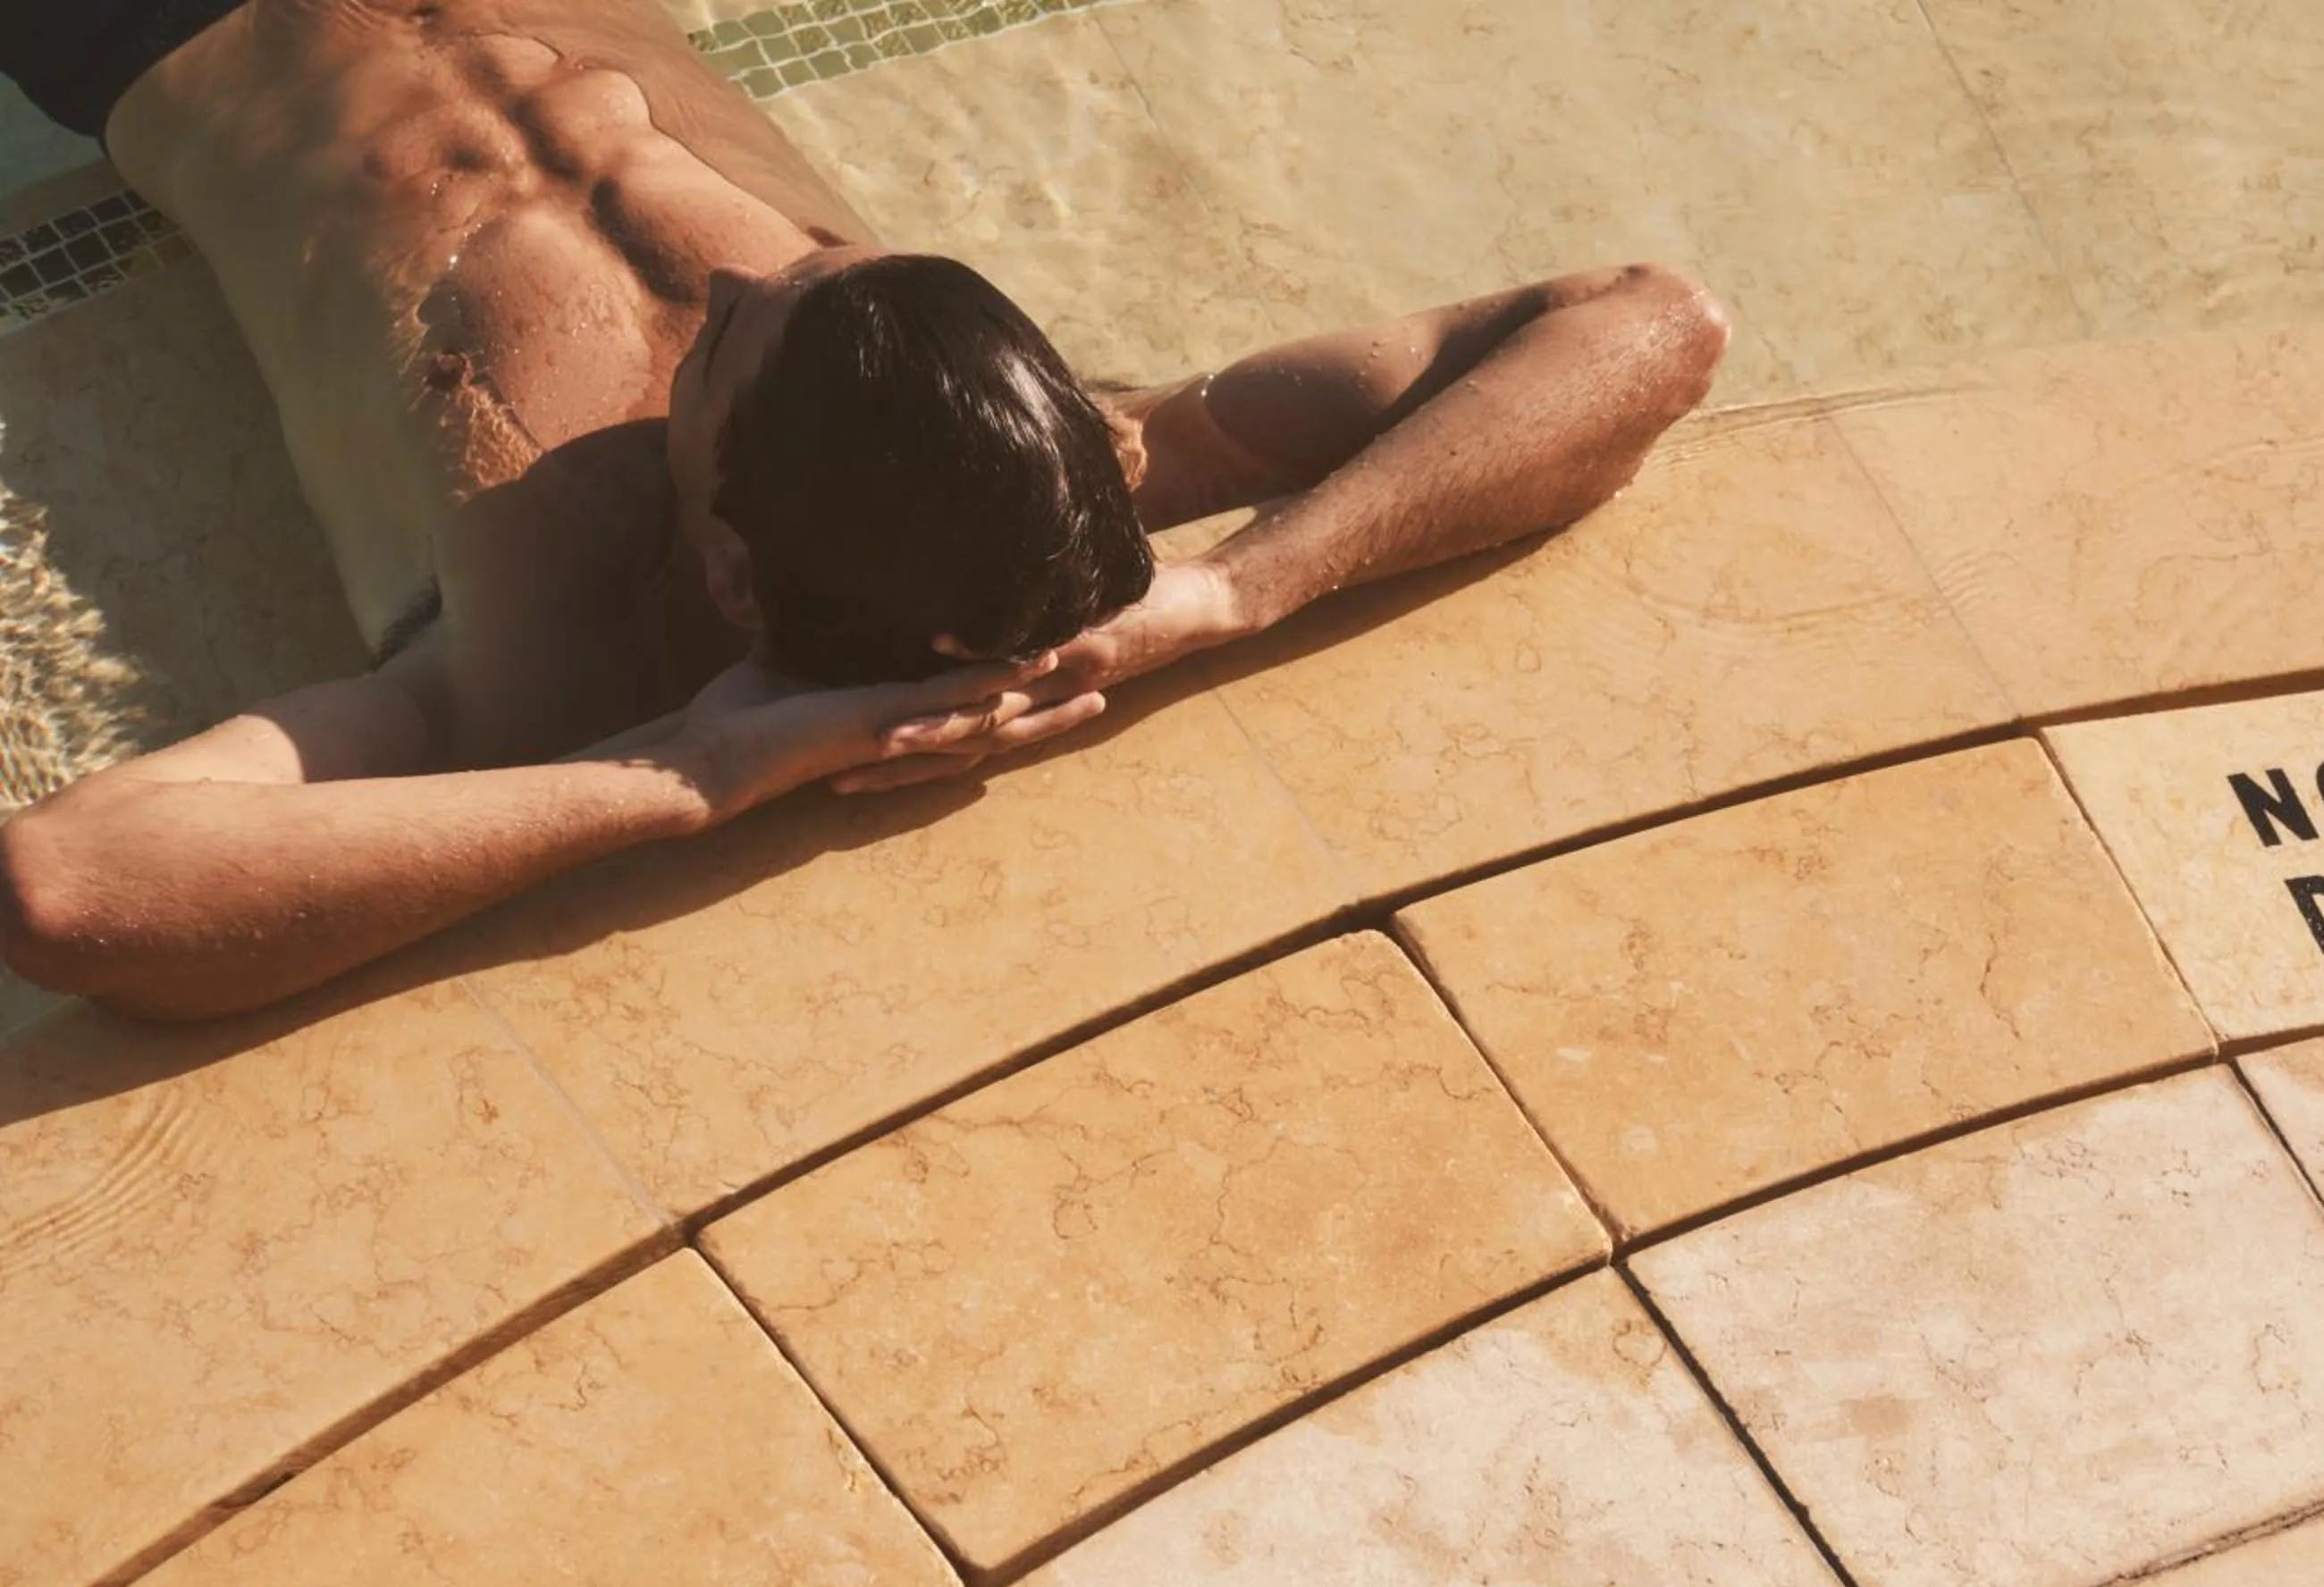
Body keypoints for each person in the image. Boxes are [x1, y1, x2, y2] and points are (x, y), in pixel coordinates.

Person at [0, 0, 1729, 1021]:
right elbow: (1648, 322)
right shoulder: (1090, 450)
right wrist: (1235, 593)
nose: (741, 264)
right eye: (816, 261)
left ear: (731, 563)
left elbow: (70, 886)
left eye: (735, 330)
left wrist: (690, 777)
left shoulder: (543, 664)